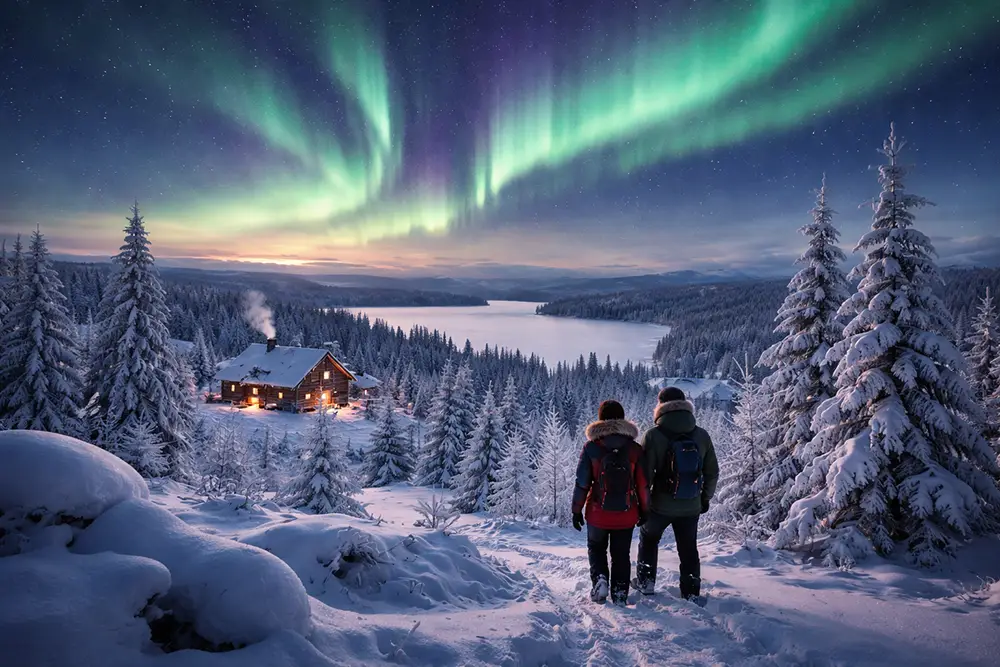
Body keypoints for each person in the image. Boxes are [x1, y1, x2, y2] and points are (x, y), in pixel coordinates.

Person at [635, 387, 719, 601]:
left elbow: (645, 476)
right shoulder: (701, 435)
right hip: (691, 505)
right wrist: (705, 498)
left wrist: (643, 505)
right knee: (689, 548)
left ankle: (646, 583)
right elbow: (712, 471)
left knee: (649, 538)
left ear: (660, 406)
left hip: (660, 505)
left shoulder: (654, 435)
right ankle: (691, 591)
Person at [572, 400, 649, 605]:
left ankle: (600, 580)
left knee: (596, 548)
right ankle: (620, 592)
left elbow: (582, 483)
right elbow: (643, 484)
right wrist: (645, 510)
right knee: (621, 554)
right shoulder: (634, 449)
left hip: (598, 513)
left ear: (600, 419)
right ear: (622, 419)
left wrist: (576, 510)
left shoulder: (591, 448)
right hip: (627, 513)